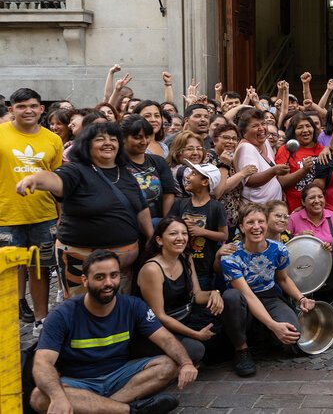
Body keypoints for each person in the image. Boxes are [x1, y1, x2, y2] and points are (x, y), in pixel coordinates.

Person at [31, 250, 194, 414]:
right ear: (85, 281)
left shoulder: (133, 306)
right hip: (78, 383)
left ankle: (103, 407)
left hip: (119, 378)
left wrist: (186, 363)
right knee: (39, 397)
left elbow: (165, 339)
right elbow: (42, 363)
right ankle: (129, 410)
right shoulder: (62, 315)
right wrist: (58, 398)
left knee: (169, 365)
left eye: (113, 275)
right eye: (100, 277)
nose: (108, 283)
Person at [17, 123, 153, 298]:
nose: (108, 143)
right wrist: (34, 179)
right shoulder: (76, 171)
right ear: (86, 144)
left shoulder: (125, 173)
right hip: (80, 258)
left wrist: (151, 237)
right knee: (81, 307)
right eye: (100, 139)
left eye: (113, 139)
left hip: (123, 263)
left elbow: (141, 208)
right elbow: (54, 179)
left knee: (118, 307)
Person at [219, 204, 315, 377]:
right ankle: (242, 350)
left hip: (269, 296)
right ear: (241, 226)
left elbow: (283, 279)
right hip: (242, 301)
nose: (256, 227)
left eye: (260, 221)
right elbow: (248, 295)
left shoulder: (279, 249)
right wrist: (273, 325)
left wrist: (301, 299)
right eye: (250, 222)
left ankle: (262, 336)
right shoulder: (230, 257)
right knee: (231, 296)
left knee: (293, 334)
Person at [0, 88, 63, 336]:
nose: (28, 110)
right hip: (5, 215)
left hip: (44, 215)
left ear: (41, 109)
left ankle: (40, 319)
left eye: (33, 106)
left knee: (41, 269)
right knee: (7, 271)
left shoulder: (53, 140)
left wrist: (62, 215)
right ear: (11, 109)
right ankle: (8, 323)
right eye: (21, 106)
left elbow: (59, 181)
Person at [137, 217, 224, 364]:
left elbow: (196, 295)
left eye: (184, 233)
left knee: (222, 324)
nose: (180, 238)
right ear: (159, 240)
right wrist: (196, 335)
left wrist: (214, 293)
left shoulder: (185, 257)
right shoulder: (152, 269)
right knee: (196, 349)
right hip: (160, 328)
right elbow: (160, 316)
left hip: (186, 317)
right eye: (173, 234)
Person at [169, 160, 228, 290]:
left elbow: (224, 235)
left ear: (205, 182)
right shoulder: (180, 203)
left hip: (204, 267)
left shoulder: (216, 207)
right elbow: (167, 226)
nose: (187, 176)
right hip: (180, 263)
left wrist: (202, 232)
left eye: (193, 174)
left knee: (200, 301)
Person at [121, 114, 176, 224]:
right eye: (137, 137)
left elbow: (168, 194)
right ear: (123, 138)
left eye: (147, 137)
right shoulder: (117, 164)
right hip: (128, 225)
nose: (144, 142)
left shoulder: (158, 162)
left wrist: (166, 223)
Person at [235, 109, 288, 204]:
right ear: (244, 132)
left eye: (263, 124)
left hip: (272, 207)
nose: (261, 128)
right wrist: (274, 171)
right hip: (257, 209)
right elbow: (250, 180)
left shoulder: (265, 142)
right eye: (255, 126)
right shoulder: (246, 148)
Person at [274, 112, 323, 211]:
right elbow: (282, 182)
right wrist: (303, 170)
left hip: (318, 207)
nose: (305, 130)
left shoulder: (322, 150)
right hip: (294, 208)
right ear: (293, 131)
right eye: (300, 127)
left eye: (308, 126)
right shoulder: (285, 150)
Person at [287, 181, 333, 246]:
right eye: (312, 198)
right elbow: (284, 244)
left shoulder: (332, 216)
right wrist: (298, 238)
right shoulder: (293, 219)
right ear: (303, 202)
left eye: (320, 197)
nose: (317, 201)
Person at [166, 130, 206, 197]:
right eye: (190, 149)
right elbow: (214, 194)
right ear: (177, 152)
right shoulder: (184, 171)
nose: (196, 153)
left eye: (199, 149)